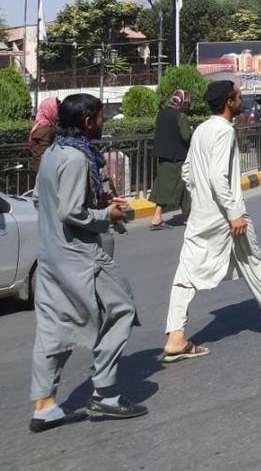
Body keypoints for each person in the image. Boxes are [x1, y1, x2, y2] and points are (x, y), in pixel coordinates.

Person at [162, 82, 261, 362]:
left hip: (201, 215)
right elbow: (219, 178)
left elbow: (187, 171)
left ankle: (175, 336)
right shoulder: (223, 131)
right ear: (229, 102)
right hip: (225, 216)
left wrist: (200, 199)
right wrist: (233, 213)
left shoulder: (202, 130)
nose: (243, 100)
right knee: (253, 261)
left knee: (187, 274)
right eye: (240, 96)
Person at [29, 93, 146, 433]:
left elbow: (45, 198)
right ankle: (106, 393)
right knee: (121, 309)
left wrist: (101, 198)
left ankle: (45, 405)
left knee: (52, 327)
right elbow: (71, 211)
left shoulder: (53, 153)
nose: (102, 123)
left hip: (51, 255)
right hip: (81, 255)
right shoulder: (78, 159)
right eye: (99, 117)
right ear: (86, 121)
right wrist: (106, 214)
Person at [148, 90, 194, 230]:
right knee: (182, 185)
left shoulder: (162, 113)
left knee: (164, 185)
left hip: (163, 156)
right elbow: (186, 137)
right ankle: (163, 217)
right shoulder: (181, 117)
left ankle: (179, 216)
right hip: (178, 157)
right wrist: (192, 130)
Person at [28, 97, 59, 176]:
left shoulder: (39, 125)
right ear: (50, 110)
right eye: (56, 108)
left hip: (38, 169)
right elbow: (44, 153)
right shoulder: (46, 128)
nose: (58, 112)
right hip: (44, 172)